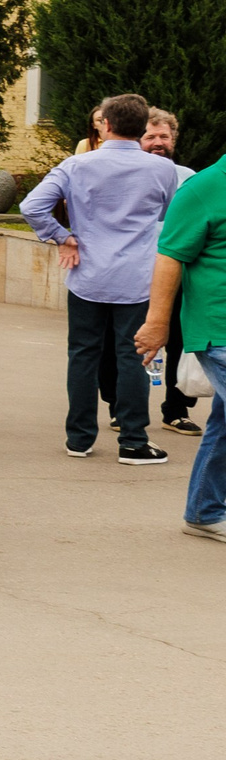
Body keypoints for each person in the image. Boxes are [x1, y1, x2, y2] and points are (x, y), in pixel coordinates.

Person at [23, 93, 182, 465]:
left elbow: (32, 206)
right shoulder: (163, 171)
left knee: (82, 355)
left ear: (105, 125)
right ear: (143, 128)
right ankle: (133, 440)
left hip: (87, 274)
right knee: (133, 357)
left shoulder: (76, 166)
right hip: (138, 278)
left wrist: (63, 236)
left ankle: (78, 438)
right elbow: (173, 220)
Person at [137, 158, 226, 541]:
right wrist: (157, 322)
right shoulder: (203, 188)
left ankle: (204, 512)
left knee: (222, 423)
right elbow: (170, 255)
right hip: (218, 328)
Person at [144, 109, 201, 433]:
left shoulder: (188, 177)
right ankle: (120, 405)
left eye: (164, 136)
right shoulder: (126, 175)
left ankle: (176, 410)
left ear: (173, 140)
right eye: (150, 136)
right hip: (133, 273)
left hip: (177, 272)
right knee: (126, 344)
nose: (158, 143)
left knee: (179, 341)